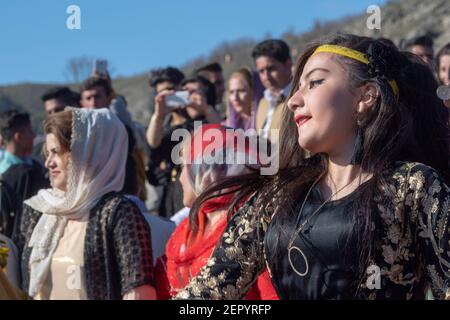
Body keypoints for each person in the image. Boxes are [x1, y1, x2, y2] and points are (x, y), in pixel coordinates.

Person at [175, 34, 450, 300]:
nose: (293, 100)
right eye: (297, 87)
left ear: (366, 96)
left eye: (314, 82)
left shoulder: (412, 185)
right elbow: (207, 292)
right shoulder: (278, 194)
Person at [14, 108, 155, 300]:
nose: (48, 163)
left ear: (87, 153)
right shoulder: (40, 210)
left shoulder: (117, 213)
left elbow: (139, 293)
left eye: (56, 152)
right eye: (47, 153)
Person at [155, 124, 277, 300]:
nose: (180, 178)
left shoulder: (252, 225)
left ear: (209, 170)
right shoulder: (187, 229)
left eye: (184, 166)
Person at [146, 75, 221, 218]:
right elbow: (152, 144)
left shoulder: (203, 122)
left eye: (193, 92)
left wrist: (205, 108)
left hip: (200, 191)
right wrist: (159, 114)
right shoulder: (168, 127)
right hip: (173, 193)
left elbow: (222, 133)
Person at [252, 39, 292, 140]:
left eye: (271, 69)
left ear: (288, 65)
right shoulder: (262, 103)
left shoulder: (299, 100)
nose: (266, 76)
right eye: (261, 71)